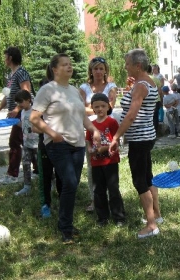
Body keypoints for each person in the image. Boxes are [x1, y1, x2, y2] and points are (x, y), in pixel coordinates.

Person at [30, 53, 101, 244]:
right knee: (69, 182)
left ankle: (66, 224)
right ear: (55, 69)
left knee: (71, 185)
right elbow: (34, 118)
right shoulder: (47, 90)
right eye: (64, 64)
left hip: (77, 144)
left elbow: (82, 116)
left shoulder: (74, 91)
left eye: (70, 64)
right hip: (57, 144)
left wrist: (93, 129)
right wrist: (52, 134)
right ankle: (65, 229)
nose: (69, 67)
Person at [108, 48, 162, 239]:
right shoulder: (147, 82)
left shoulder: (141, 86)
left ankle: (151, 225)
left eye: (128, 64)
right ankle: (156, 215)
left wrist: (116, 137)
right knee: (148, 178)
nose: (125, 67)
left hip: (139, 138)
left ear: (138, 66)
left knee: (140, 181)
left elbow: (131, 115)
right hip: (146, 136)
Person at [79, 57, 118, 213]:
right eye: (95, 68)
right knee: (92, 165)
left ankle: (111, 198)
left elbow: (111, 107)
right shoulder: (84, 87)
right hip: (90, 128)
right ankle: (95, 199)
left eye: (101, 68)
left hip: (108, 129)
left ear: (105, 70)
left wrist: (91, 107)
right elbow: (81, 108)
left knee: (109, 164)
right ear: (91, 70)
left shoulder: (111, 86)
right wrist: (99, 106)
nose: (99, 72)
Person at [0, 46, 35, 184]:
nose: (4, 59)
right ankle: (40, 170)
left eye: (5, 57)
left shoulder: (21, 73)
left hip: (23, 112)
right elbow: (8, 96)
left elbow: (26, 92)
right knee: (26, 141)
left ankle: (12, 175)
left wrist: (17, 109)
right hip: (16, 113)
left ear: (10, 58)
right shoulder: (10, 76)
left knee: (15, 142)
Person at [86, 93, 126, 226]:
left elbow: (117, 141)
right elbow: (88, 141)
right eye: (96, 107)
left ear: (108, 106)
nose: (100, 109)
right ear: (92, 108)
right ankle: (102, 217)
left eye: (103, 106)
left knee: (113, 189)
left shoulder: (112, 122)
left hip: (110, 162)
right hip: (96, 162)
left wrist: (105, 148)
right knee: (98, 190)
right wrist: (91, 149)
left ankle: (119, 217)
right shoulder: (91, 124)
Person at [36, 77, 62, 218]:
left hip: (60, 147)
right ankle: (45, 204)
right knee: (45, 177)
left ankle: (63, 203)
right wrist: (51, 131)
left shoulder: (59, 106)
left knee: (61, 176)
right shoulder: (39, 108)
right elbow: (34, 128)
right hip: (45, 147)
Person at [13, 89, 39, 196]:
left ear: (29, 100)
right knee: (26, 165)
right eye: (18, 102)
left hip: (37, 144)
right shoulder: (23, 111)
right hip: (26, 144)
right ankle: (27, 186)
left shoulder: (35, 111)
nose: (20, 104)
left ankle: (50, 182)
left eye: (21, 102)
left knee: (40, 165)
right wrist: (13, 122)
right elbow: (24, 125)